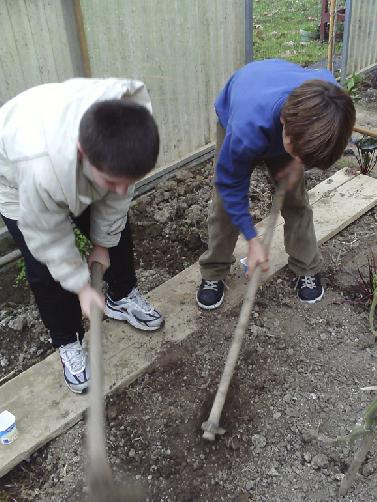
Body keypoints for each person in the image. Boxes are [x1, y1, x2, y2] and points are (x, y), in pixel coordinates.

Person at [0, 78, 164, 393]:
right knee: (44, 269)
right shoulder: (39, 169)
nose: (120, 189)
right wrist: (81, 287)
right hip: (17, 183)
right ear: (81, 152)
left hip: (73, 158)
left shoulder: (128, 124)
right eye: (111, 181)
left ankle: (121, 295)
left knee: (116, 229)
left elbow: (118, 195)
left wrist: (101, 245)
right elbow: (48, 236)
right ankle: (68, 340)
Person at [196, 59, 356, 310]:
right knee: (225, 206)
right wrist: (252, 240)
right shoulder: (245, 130)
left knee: (296, 198)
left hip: (285, 115)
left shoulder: (331, 104)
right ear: (284, 121)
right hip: (243, 106)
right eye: (298, 156)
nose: (300, 163)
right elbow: (229, 185)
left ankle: (306, 266)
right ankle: (214, 271)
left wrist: (296, 162)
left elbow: (309, 144)